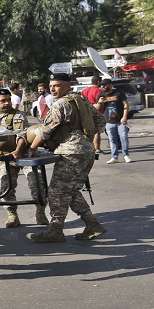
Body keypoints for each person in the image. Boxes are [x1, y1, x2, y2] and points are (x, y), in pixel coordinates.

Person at [27, 73, 107, 243]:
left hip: (70, 153)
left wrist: (31, 148)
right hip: (86, 150)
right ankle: (92, 224)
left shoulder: (60, 104)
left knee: (57, 191)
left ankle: (55, 231)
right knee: (70, 190)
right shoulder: (82, 100)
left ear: (67, 86)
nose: (52, 89)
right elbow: (100, 120)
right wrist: (87, 139)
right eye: (51, 86)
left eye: (56, 85)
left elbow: (45, 130)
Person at [0, 89, 48, 227]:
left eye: (8, 100)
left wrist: (17, 151)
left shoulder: (18, 115)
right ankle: (12, 215)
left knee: (36, 183)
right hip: (4, 157)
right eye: (2, 101)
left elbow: (21, 134)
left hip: (24, 155)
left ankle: (40, 212)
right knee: (5, 187)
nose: (6, 103)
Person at [98, 78, 131, 164]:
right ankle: (114, 157)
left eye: (105, 85)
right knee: (112, 140)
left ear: (110, 85)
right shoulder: (101, 95)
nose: (103, 86)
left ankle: (126, 155)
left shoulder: (118, 93)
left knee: (124, 138)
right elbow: (95, 109)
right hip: (109, 122)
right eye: (102, 85)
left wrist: (124, 117)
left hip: (120, 121)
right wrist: (99, 102)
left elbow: (126, 104)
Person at [81, 76, 103, 153]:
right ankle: (97, 148)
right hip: (96, 112)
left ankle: (89, 148)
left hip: (85, 112)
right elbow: (99, 103)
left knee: (88, 132)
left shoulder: (85, 90)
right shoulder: (98, 91)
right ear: (98, 82)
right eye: (101, 81)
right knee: (97, 131)